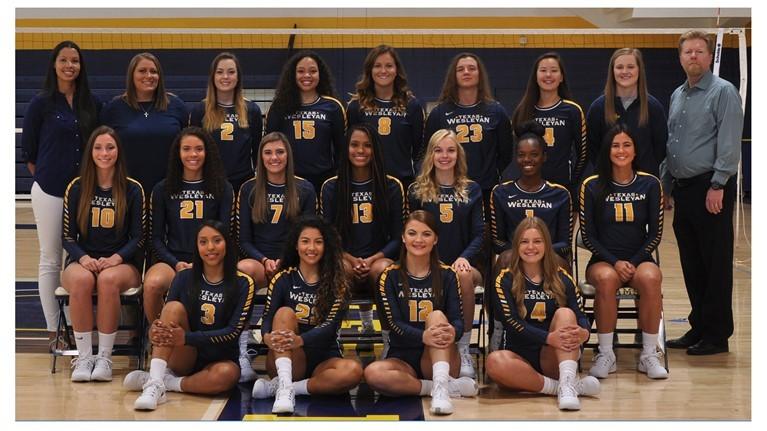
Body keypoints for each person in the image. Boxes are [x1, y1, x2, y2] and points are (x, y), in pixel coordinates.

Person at [662, 30, 744, 356]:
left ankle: (717, 335)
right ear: (680, 58)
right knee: (692, 263)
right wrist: (666, 187)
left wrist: (718, 184)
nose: (693, 56)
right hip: (683, 191)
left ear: (709, 57)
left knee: (715, 264)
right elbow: (671, 145)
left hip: (710, 188)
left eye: (699, 51)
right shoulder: (677, 95)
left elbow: (728, 141)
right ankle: (699, 325)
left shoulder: (724, 92)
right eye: (688, 52)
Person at [123, 220, 255, 410]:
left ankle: (164, 381)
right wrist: (155, 330)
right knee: (173, 308)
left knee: (227, 375)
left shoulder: (243, 283)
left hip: (219, 357)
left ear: (227, 243)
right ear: (196, 246)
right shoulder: (184, 277)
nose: (210, 247)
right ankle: (154, 384)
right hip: (184, 355)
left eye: (217, 240)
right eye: (203, 242)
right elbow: (167, 318)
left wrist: (186, 337)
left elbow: (233, 333)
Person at [21, 40, 100, 342]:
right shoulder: (41, 103)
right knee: (51, 259)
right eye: (64, 60)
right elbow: (29, 154)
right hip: (50, 191)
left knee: (79, 260)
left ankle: (77, 325)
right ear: (54, 64)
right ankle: (55, 330)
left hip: (87, 193)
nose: (70, 66)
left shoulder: (91, 104)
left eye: (75, 61)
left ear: (81, 67)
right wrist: (50, 180)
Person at [364, 211, 478, 416]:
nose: (418, 240)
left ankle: (442, 387)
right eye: (412, 233)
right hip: (403, 357)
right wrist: (422, 336)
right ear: (403, 237)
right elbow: (393, 323)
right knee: (373, 374)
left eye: (426, 234)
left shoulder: (447, 274)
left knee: (436, 317)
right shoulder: (389, 276)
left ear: (435, 239)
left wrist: (454, 331)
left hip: (440, 355)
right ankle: (439, 388)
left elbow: (457, 321)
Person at [580, 124, 667, 379]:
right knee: (606, 279)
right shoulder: (592, 186)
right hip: (603, 260)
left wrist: (634, 261)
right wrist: (615, 262)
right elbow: (588, 236)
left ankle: (649, 354)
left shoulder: (650, 184)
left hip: (640, 258)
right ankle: (606, 353)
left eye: (626, 145)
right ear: (607, 150)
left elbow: (656, 234)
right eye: (615, 145)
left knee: (651, 277)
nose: (621, 150)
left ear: (635, 150)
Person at [486, 217, 599, 411]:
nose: (531, 247)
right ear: (516, 246)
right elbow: (511, 322)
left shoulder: (562, 276)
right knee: (494, 362)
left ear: (546, 244)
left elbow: (580, 314)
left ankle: (566, 383)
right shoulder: (504, 278)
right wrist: (548, 337)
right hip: (519, 357)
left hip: (554, 355)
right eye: (524, 241)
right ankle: (565, 387)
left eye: (537, 241)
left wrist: (585, 332)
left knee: (565, 314)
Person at [251, 217, 363, 414]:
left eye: (318, 241)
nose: (311, 247)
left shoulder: (338, 282)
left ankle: (285, 388)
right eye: (305, 241)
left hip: (323, 357)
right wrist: (267, 337)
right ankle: (285, 385)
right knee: (284, 313)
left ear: (326, 245)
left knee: (353, 371)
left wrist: (300, 340)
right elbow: (267, 318)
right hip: (288, 356)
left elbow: (329, 326)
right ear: (295, 245)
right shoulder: (282, 278)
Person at [61, 126, 144, 382]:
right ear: (90, 152)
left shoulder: (132, 189)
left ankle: (105, 358)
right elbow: (67, 236)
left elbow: (139, 237)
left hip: (121, 263)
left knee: (107, 280)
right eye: (98, 147)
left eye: (110, 147)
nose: (104, 153)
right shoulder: (76, 187)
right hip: (83, 259)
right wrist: (83, 258)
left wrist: (116, 258)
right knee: (82, 280)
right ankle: (84, 357)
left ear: (118, 151)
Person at [408, 129, 483, 378]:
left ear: (458, 154)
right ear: (430, 155)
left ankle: (464, 350)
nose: (444, 155)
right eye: (438, 150)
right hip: (427, 263)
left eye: (450, 150)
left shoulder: (472, 189)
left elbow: (479, 234)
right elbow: (412, 234)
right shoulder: (417, 191)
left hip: (462, 262)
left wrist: (464, 257)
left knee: (464, 276)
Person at [320, 123, 405, 339]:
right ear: (345, 148)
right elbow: (328, 235)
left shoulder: (392, 186)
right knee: (342, 269)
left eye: (367, 145)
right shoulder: (332, 186)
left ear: (375, 149)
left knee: (383, 270)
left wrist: (372, 259)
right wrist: (350, 258)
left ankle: (388, 338)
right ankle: (332, 338)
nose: (360, 151)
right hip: (345, 258)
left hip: (379, 258)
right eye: (354, 145)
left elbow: (398, 237)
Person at [144, 127, 233, 331]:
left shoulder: (222, 188)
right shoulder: (162, 189)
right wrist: (176, 264)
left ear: (207, 152)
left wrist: (204, 263)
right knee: (151, 285)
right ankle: (160, 339)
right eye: (187, 149)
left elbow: (225, 234)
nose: (193, 154)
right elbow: (156, 238)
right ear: (178, 153)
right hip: (173, 260)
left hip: (211, 260)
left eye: (199, 149)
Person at [424, 52, 512, 208]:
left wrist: (490, 173)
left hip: (486, 188)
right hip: (448, 189)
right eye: (461, 69)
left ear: (480, 74)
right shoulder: (439, 113)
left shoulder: (496, 111)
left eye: (471, 68)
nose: (466, 72)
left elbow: (506, 152)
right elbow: (428, 151)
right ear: (454, 75)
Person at [237, 131, 317, 289]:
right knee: (243, 269)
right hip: (261, 263)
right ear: (261, 157)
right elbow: (244, 241)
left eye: (280, 152)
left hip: (294, 261)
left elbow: (308, 236)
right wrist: (264, 260)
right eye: (268, 153)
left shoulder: (305, 189)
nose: (274, 158)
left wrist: (286, 259)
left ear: (288, 155)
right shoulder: (249, 189)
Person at [101, 52, 189, 194]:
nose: (148, 76)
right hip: (126, 189)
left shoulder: (176, 106)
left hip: (168, 188)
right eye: (142, 71)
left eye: (153, 71)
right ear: (132, 75)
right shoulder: (114, 108)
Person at [265, 50, 346, 193]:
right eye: (301, 71)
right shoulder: (279, 107)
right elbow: (268, 144)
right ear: (293, 75)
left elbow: (341, 149)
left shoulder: (333, 106)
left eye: (312, 71)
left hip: (323, 179)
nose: (307, 75)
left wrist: (338, 177)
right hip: (288, 180)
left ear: (320, 74)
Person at [494, 121, 573, 266]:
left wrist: (538, 252)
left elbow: (565, 244)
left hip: (549, 259)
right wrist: (524, 251)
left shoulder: (560, 194)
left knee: (560, 262)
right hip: (515, 258)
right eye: (521, 155)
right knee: (504, 259)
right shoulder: (501, 193)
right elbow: (498, 242)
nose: (527, 160)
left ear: (544, 156)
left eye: (534, 154)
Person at [348, 45, 425, 189]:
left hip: (402, 182)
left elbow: (419, 150)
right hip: (366, 183)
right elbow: (349, 147)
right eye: (377, 66)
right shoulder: (356, 107)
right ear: (370, 70)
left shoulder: (412, 106)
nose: (383, 71)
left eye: (389, 66)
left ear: (396, 71)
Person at [511, 52, 586, 195]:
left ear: (561, 77)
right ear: (536, 76)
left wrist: (572, 182)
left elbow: (583, 154)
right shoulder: (523, 110)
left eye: (554, 71)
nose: (548, 75)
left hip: (562, 188)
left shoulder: (572, 110)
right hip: (529, 188)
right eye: (543, 70)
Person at [586, 48, 668, 177]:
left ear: (639, 70)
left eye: (630, 67)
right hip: (608, 184)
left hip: (644, 184)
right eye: (619, 67)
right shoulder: (598, 107)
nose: (625, 71)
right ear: (612, 71)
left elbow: (660, 148)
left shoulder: (653, 107)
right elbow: (593, 149)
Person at [190, 52, 263, 193]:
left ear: (238, 77)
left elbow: (257, 151)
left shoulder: (252, 110)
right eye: (220, 72)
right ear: (213, 77)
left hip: (243, 182)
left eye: (231, 72)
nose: (225, 77)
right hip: (209, 181)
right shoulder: (200, 110)